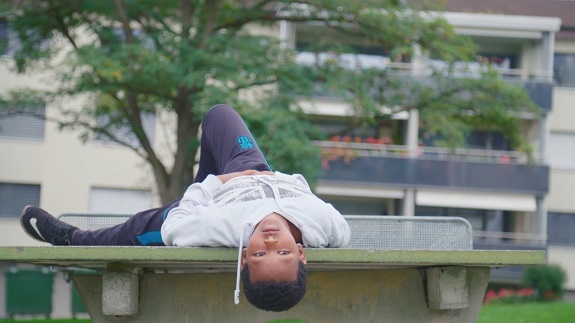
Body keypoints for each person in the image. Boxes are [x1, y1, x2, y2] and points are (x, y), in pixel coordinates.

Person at [20, 104, 351, 312]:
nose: (270, 244)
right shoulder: (325, 226)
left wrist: (213, 186)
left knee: (144, 226)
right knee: (219, 115)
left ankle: (74, 238)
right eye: (284, 254)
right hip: (259, 171)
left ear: (244, 258)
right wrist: (289, 183)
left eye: (260, 256)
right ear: (301, 252)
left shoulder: (217, 227)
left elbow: (175, 226)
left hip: (217, 196)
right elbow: (338, 225)